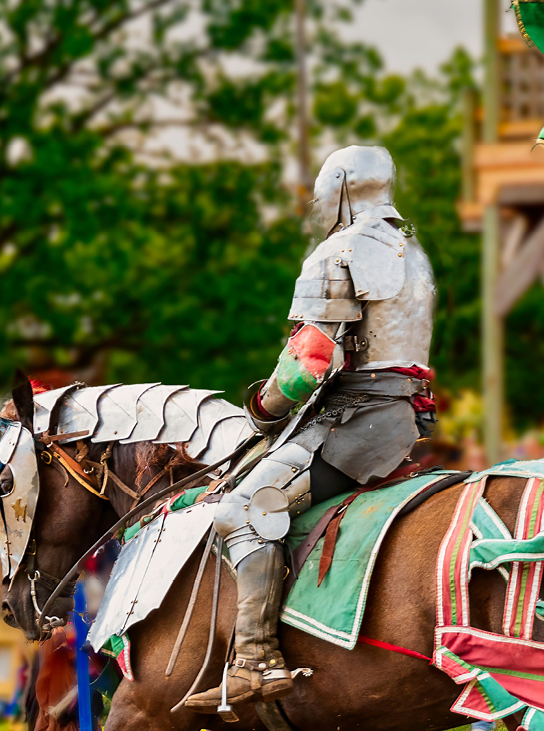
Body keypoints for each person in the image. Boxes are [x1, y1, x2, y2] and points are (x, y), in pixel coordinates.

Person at [187, 146, 437, 713]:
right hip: (404, 419)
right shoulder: (413, 252)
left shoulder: (339, 251)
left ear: (343, 187)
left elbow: (309, 364)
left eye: (323, 190)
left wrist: (261, 409)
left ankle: (254, 660)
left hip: (347, 425)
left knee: (241, 511)